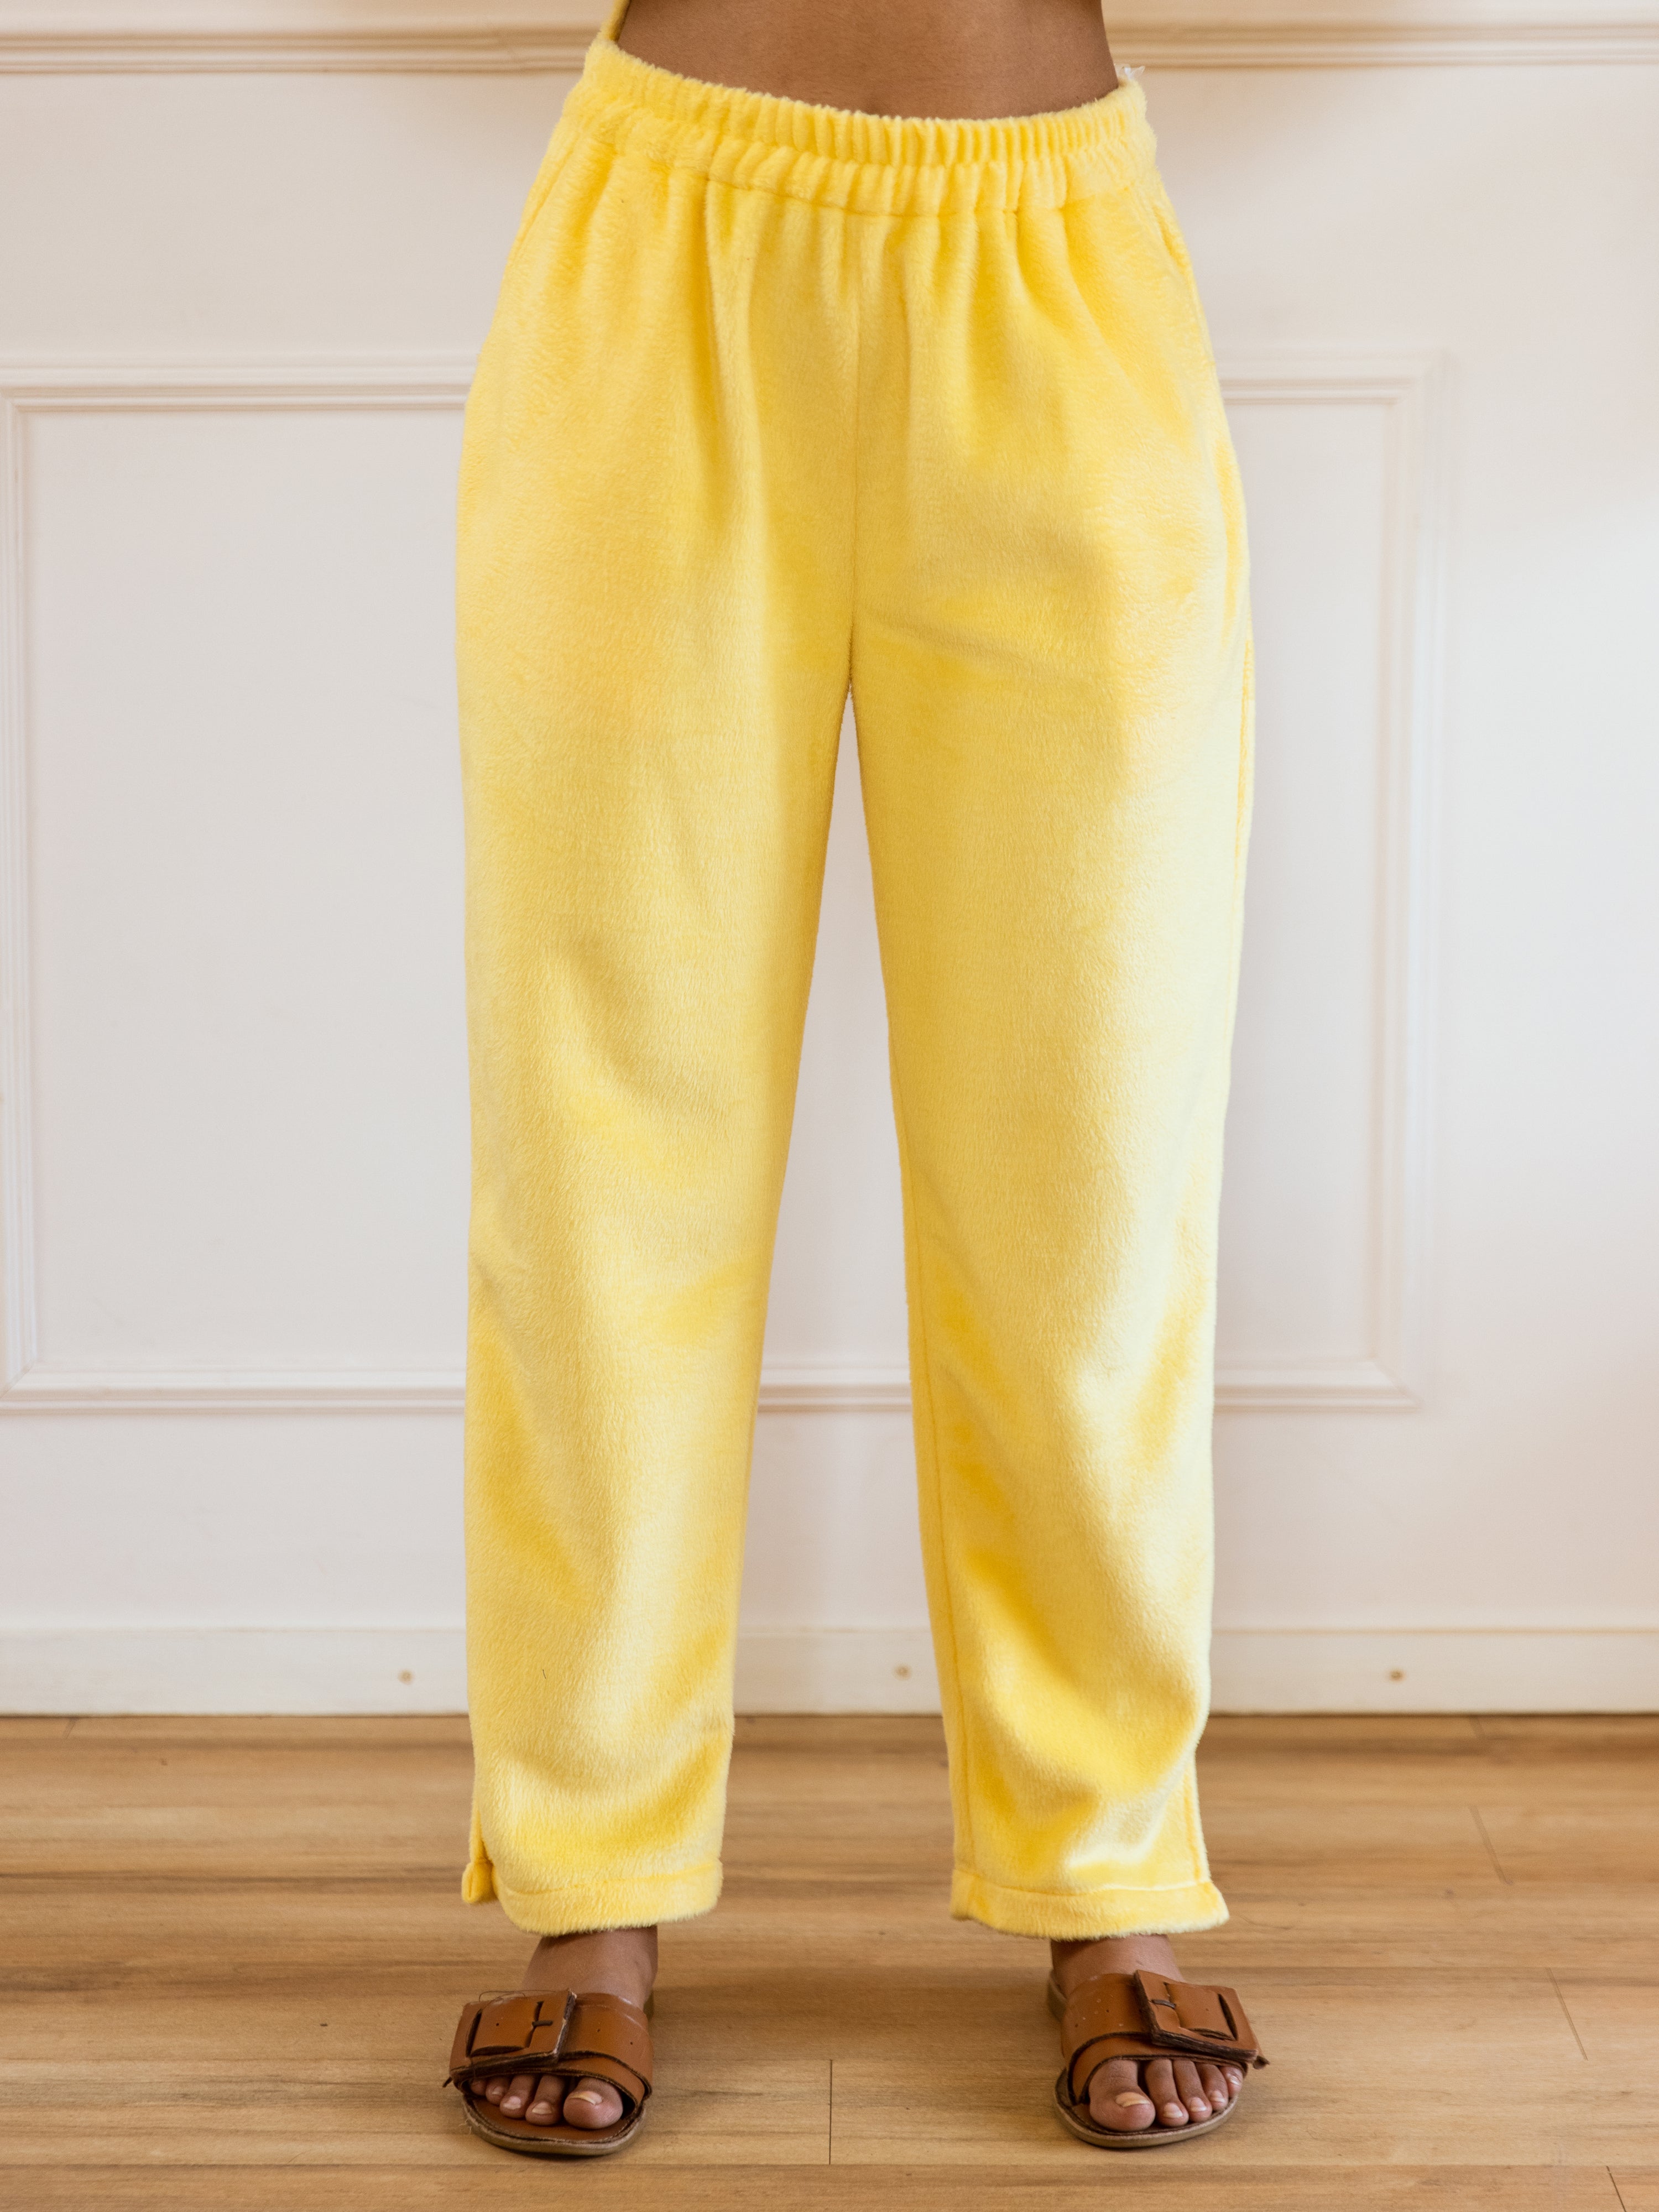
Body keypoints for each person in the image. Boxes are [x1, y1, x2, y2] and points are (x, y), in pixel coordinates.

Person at [444, 0, 1266, 2157]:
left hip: (1053, 271)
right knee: (606, 1152)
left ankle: (1106, 1861)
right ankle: (591, 1879)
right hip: (663, 260)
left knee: (1091, 1167)